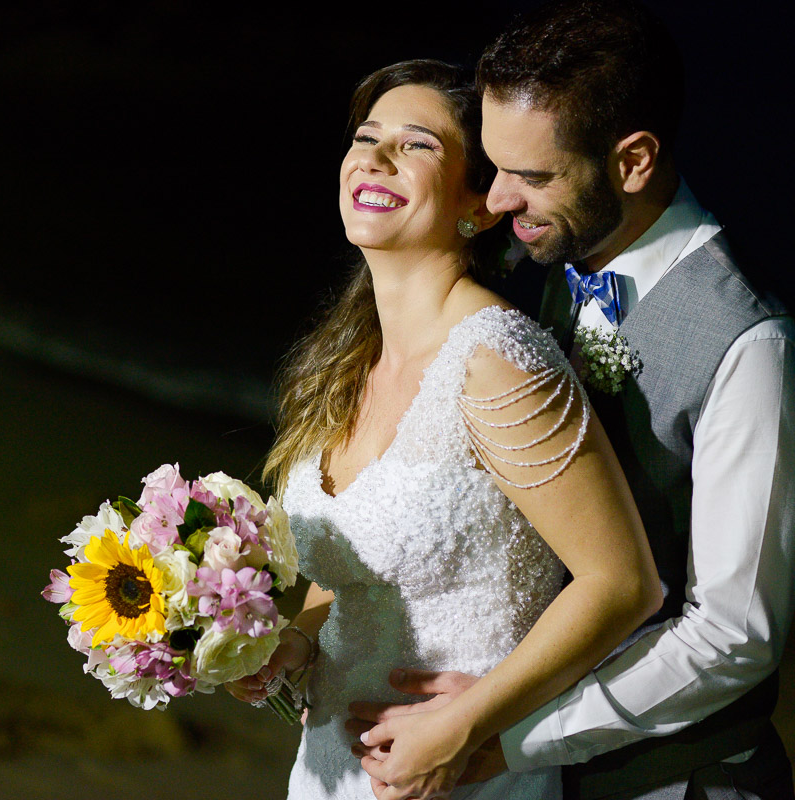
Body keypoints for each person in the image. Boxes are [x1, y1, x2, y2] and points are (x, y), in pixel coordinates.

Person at [347, 3, 795, 799]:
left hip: (677, 782)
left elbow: (733, 637)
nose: (500, 200)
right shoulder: (561, 272)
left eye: (533, 176)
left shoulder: (756, 348)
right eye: (496, 167)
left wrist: (509, 738)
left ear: (634, 160)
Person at [226, 59, 662, 799]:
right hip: (333, 769)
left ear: (479, 205)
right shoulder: (343, 363)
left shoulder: (496, 360)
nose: (376, 155)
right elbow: (362, 566)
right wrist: (295, 645)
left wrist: (465, 728)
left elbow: (622, 584)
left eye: (418, 144)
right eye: (366, 137)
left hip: (462, 774)